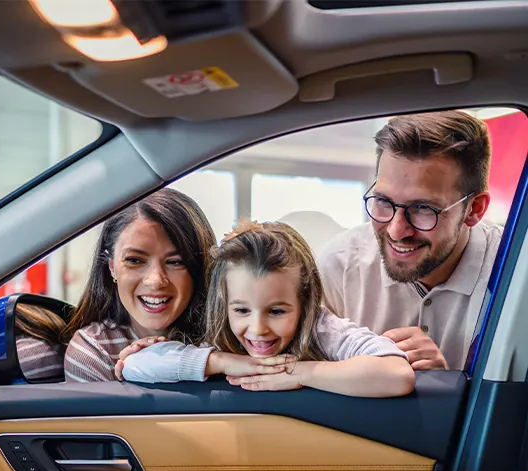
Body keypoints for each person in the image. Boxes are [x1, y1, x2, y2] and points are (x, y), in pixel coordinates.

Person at [116, 220, 415, 398]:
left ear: (303, 302)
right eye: (242, 311)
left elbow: (396, 373)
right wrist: (224, 362)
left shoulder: (322, 331)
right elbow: (133, 366)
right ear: (225, 306)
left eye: (276, 311)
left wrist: (298, 372)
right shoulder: (222, 341)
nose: (258, 329)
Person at [318, 111, 501, 371]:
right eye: (383, 201)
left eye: (423, 209)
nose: (396, 230)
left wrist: (445, 383)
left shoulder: (516, 279)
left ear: (474, 209)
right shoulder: (339, 266)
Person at [58, 188, 297, 383]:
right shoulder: (93, 351)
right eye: (134, 260)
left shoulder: (243, 329)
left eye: (175, 262)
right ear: (111, 267)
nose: (155, 280)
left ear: (199, 267)